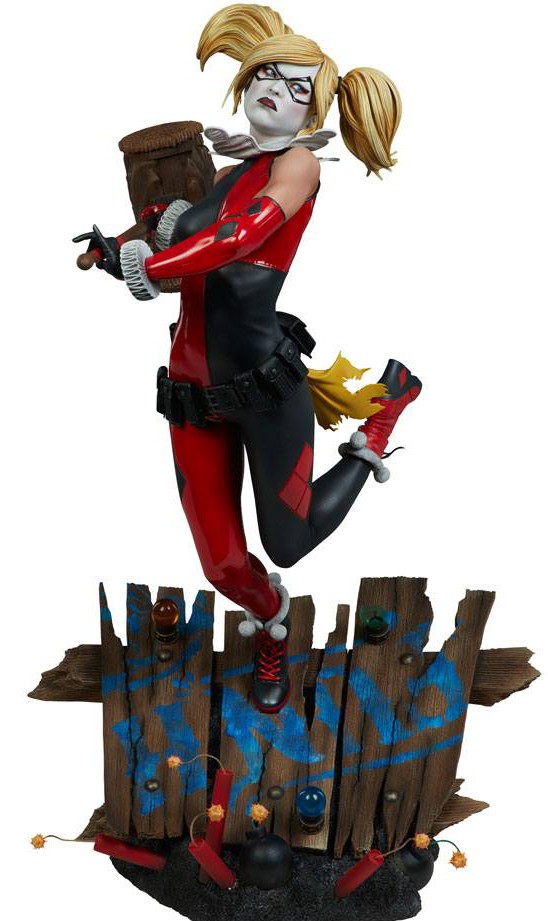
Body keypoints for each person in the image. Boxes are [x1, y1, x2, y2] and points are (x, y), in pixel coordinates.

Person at [79, 4, 421, 713]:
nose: (275, 90)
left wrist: (153, 261)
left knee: (287, 542)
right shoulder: (227, 174)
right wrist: (122, 252)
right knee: (225, 565)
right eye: (268, 73)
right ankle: (272, 619)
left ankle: (377, 426)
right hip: (191, 390)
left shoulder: (298, 166)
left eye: (297, 87)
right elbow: (183, 261)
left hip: (263, 387)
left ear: (315, 110)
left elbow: (239, 239)